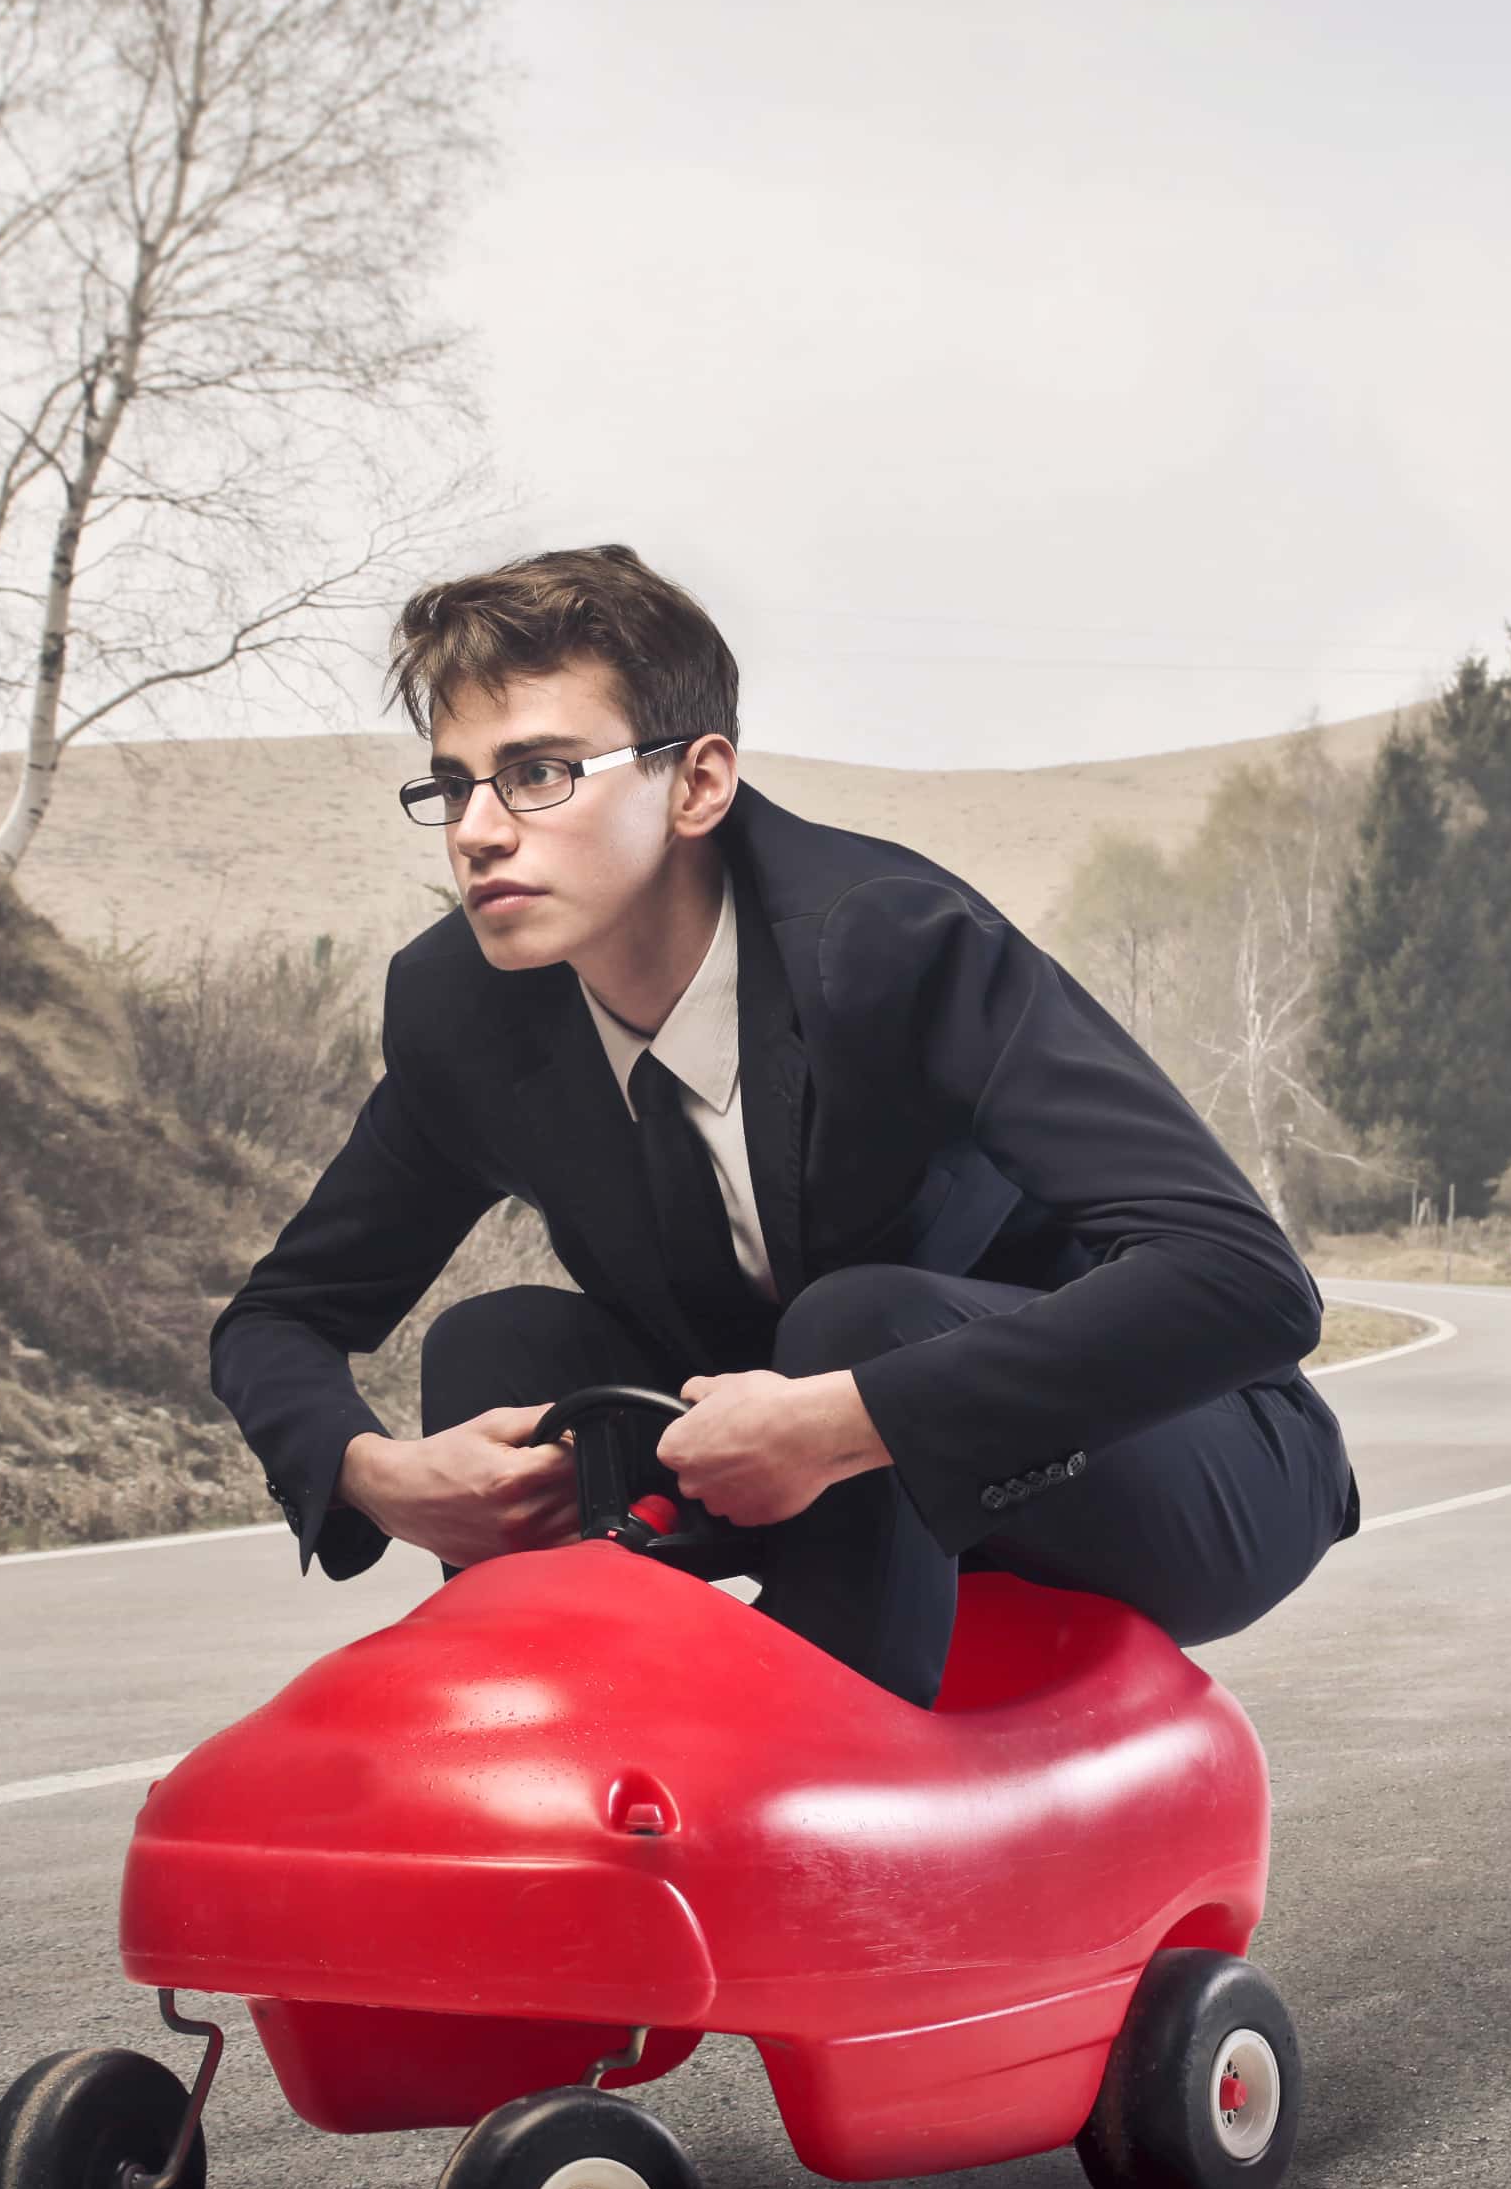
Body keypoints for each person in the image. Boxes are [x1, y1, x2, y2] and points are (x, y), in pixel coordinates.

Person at [207, 545, 1357, 1708]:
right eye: (453, 785)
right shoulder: (467, 1009)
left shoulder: (892, 946)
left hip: (1157, 1449)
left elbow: (1244, 1280)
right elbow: (281, 1317)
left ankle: (845, 1798)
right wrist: (375, 1476)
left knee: (862, 1317)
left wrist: (853, 1417)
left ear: (698, 783)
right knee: (495, 1344)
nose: (477, 831)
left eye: (540, 772)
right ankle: (554, 1760)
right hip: (764, 1462)